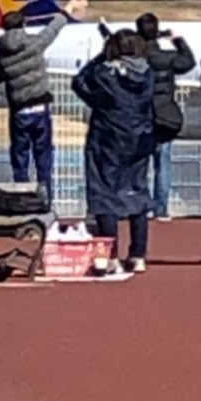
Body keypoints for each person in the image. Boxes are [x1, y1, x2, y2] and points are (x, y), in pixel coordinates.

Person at [72, 29, 154, 273]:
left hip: (107, 138)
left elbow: (79, 83)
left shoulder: (105, 74)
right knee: (137, 191)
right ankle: (138, 254)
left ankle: (111, 256)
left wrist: (100, 57)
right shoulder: (147, 73)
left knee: (104, 194)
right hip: (139, 137)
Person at [0, 0, 79, 206]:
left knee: (20, 157)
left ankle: (22, 200)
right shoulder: (35, 44)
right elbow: (52, 30)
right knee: (43, 158)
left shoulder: (0, 53)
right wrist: (67, 11)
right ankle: (45, 201)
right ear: (23, 25)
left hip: (19, 109)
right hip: (40, 107)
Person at [136, 13, 196, 220]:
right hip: (163, 115)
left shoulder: (136, 60)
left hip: (140, 116)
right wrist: (177, 40)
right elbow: (188, 61)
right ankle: (161, 208)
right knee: (163, 163)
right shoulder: (166, 58)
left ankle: (139, 206)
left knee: (138, 164)